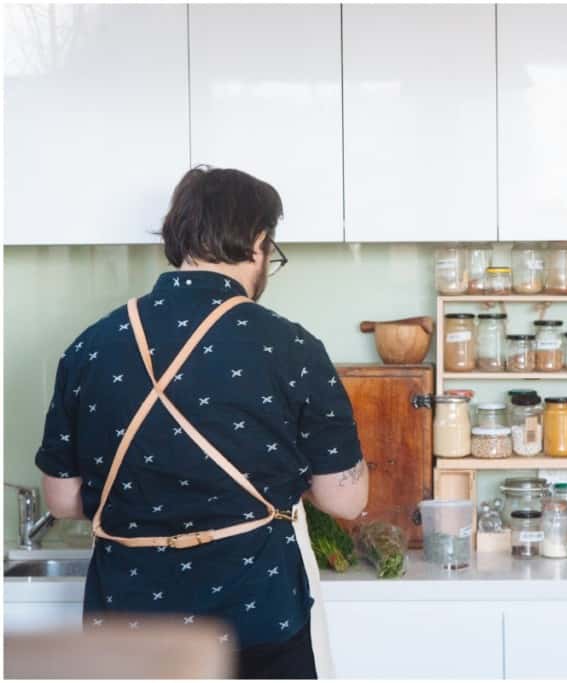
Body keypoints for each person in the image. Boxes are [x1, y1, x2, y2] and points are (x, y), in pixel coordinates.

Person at [35, 166, 368, 679]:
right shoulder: (292, 346)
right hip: (255, 620)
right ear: (258, 243)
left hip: (126, 623)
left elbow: (60, 499)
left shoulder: (90, 345)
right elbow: (346, 499)